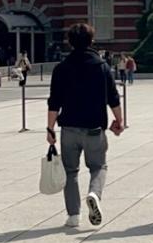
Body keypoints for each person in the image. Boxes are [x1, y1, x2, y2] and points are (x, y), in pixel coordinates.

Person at [46, 22, 124, 229]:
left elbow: (54, 101)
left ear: (70, 42)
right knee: (98, 166)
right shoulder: (102, 67)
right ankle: (94, 194)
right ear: (92, 41)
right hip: (94, 128)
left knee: (70, 172)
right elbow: (113, 98)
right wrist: (119, 120)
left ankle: (73, 216)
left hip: (69, 128)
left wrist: (49, 128)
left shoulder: (61, 68)